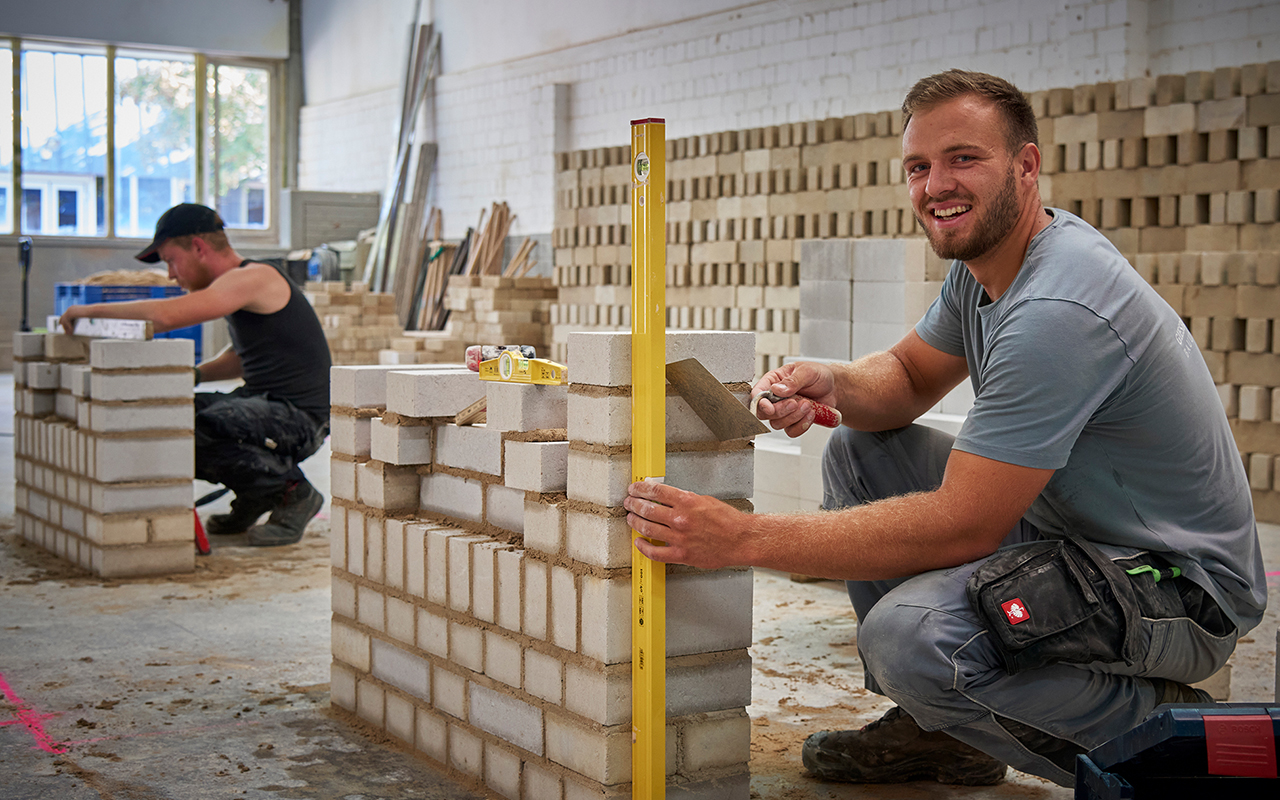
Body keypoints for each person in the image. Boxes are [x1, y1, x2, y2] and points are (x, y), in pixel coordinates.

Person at [624, 70, 1265, 788]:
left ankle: (1166, 738)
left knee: (914, 639)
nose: (936, 186)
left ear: (1026, 167)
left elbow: (964, 526)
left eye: (964, 158)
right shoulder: (987, 268)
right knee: (863, 449)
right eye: (919, 167)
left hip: (1177, 588)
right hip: (1078, 537)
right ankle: (944, 733)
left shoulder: (1058, 308)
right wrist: (832, 381)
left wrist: (741, 538)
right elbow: (904, 379)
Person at [60, 203, 332, 547]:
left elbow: (167, 316)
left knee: (199, 425)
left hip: (301, 419)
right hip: (269, 407)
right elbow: (240, 359)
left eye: (171, 260)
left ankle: (292, 492)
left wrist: (89, 310)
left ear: (199, 248)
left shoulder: (254, 277)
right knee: (169, 416)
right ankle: (258, 494)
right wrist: (193, 375)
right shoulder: (240, 286)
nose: (171, 274)